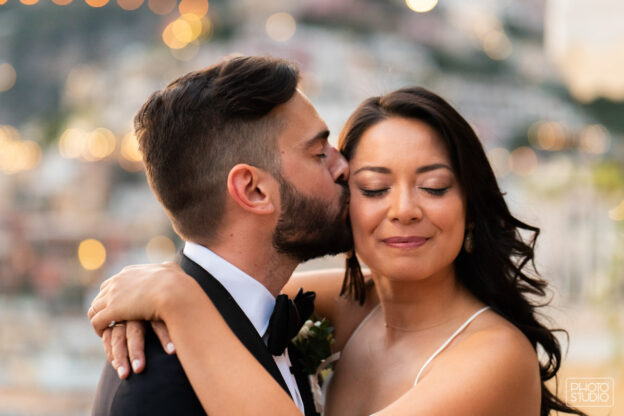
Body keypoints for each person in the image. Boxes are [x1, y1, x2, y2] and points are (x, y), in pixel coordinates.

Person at [90, 87, 585, 416]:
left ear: (471, 207)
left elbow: (200, 301)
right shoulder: (350, 304)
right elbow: (234, 286)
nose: (405, 209)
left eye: (434, 187)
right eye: (373, 188)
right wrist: (150, 289)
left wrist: (178, 303)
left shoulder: (493, 356)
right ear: (345, 201)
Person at [89, 55, 353, 416]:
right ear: (253, 190)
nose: (343, 167)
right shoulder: (158, 381)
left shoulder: (264, 315)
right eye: (320, 153)